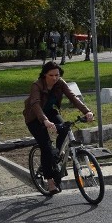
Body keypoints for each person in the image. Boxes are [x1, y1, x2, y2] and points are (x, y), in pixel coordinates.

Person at [23, 61, 94, 194]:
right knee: (46, 147)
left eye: (57, 75)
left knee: (65, 127)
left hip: (50, 112)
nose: (55, 78)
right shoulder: (36, 85)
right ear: (45, 74)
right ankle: (50, 182)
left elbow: (73, 97)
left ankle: (57, 156)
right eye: (51, 75)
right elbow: (35, 104)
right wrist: (45, 121)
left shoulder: (60, 83)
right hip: (34, 117)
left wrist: (87, 111)